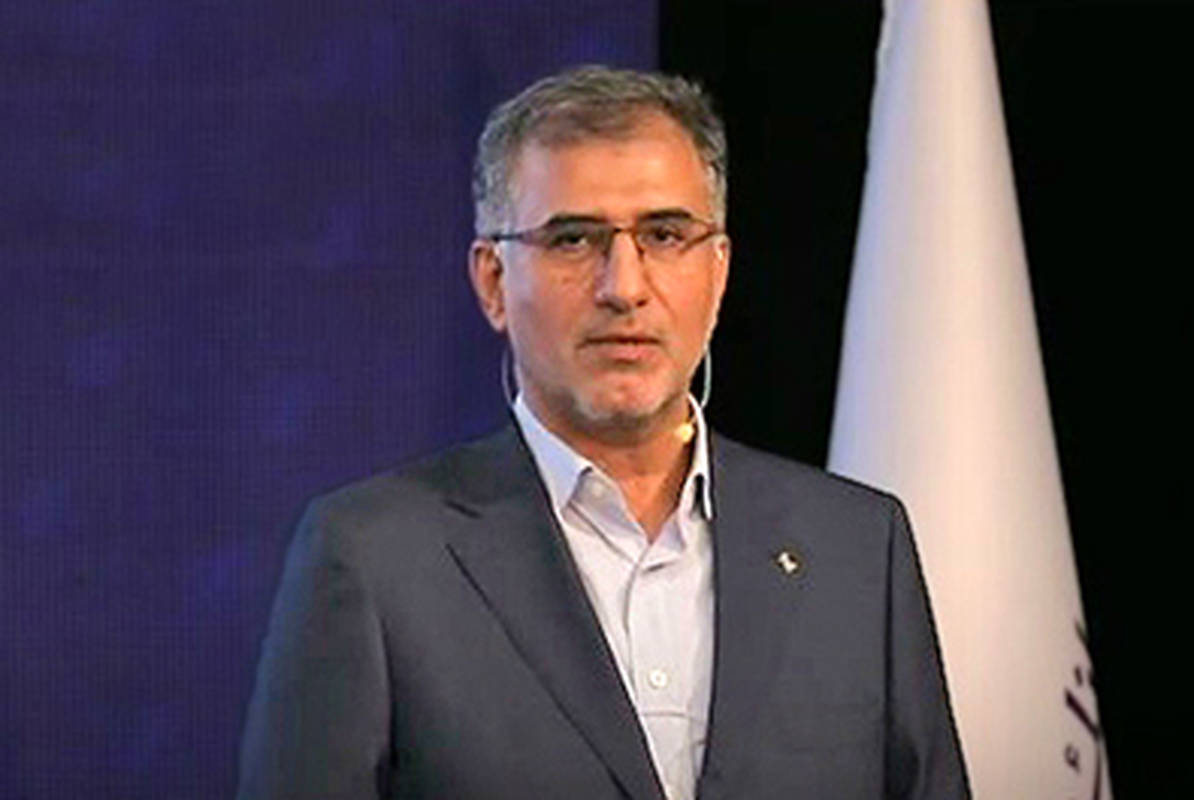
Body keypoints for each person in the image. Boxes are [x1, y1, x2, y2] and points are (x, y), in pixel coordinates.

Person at [238, 65, 969, 800]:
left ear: (718, 273)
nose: (624, 286)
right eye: (572, 239)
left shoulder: (858, 548)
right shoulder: (373, 558)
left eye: (665, 234)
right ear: (493, 282)